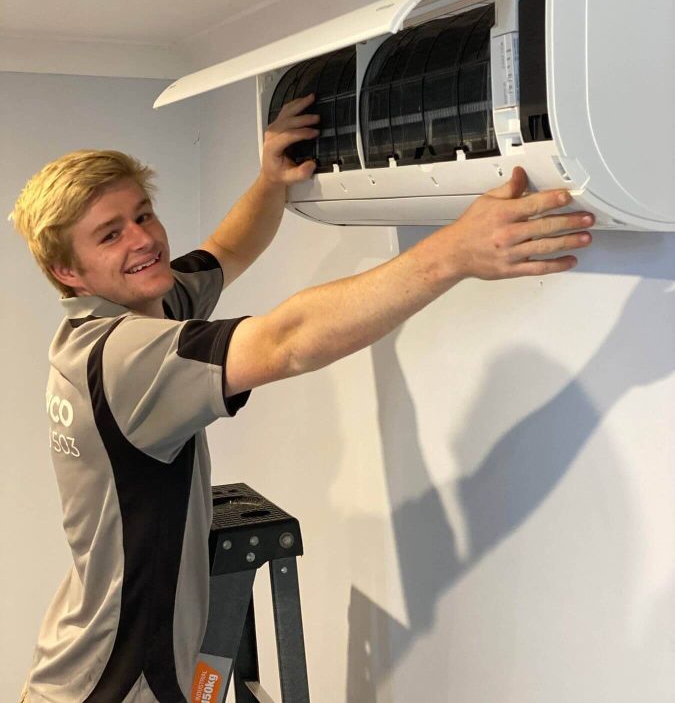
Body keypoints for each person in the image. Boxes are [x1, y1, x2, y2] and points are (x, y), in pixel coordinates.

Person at [12, 94, 594, 702]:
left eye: (143, 214)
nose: (144, 239)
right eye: (111, 235)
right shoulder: (125, 357)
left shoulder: (133, 310)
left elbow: (226, 250)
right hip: (113, 685)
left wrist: (270, 182)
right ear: (68, 273)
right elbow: (288, 342)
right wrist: (456, 251)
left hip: (88, 662)